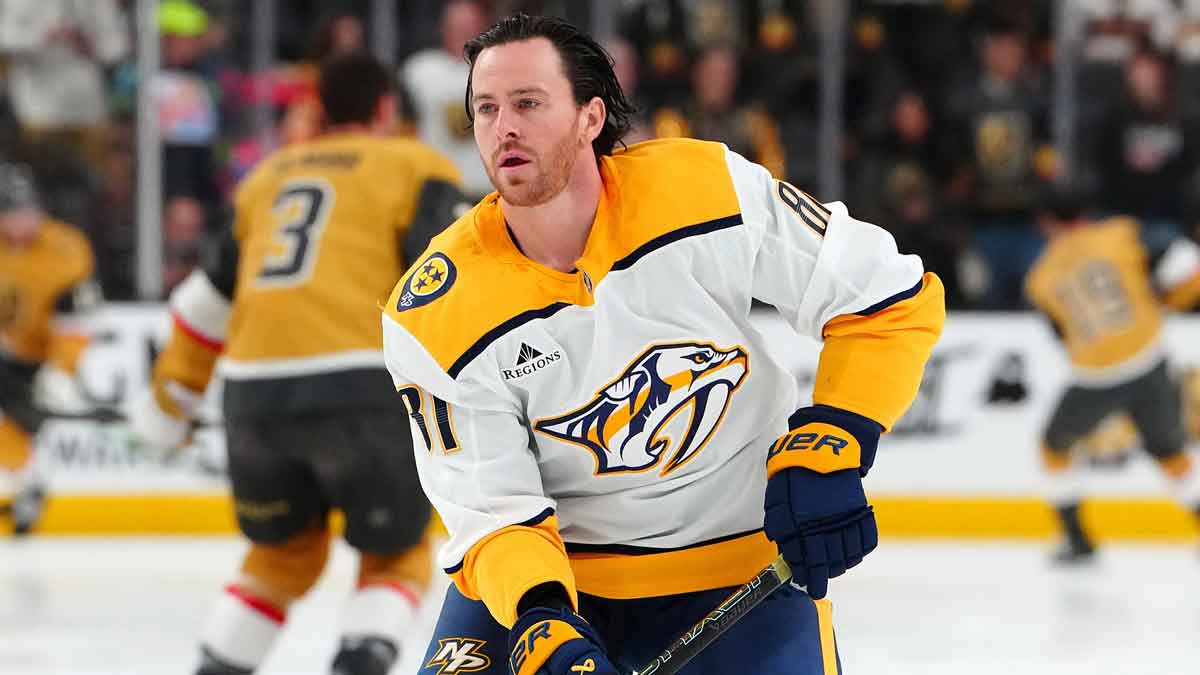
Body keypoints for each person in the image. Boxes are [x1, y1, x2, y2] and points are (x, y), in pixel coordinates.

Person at [382, 14, 945, 675]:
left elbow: (885, 296)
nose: (502, 126)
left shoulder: (702, 191)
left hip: (739, 568)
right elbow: (490, 507)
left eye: (528, 104)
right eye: (485, 108)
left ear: (592, 117)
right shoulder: (437, 310)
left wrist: (837, 432)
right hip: (550, 586)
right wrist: (540, 620)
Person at [128, 53, 469, 675]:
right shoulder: (418, 166)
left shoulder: (267, 177)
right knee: (394, 558)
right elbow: (449, 287)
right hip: (364, 390)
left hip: (252, 398)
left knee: (279, 560)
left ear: (319, 111)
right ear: (387, 109)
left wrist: (169, 403)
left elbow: (206, 304)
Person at [1025, 185, 1200, 564]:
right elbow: (1186, 261)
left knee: (1053, 447)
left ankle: (1077, 539)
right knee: (1170, 453)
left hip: (1097, 378)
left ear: (1046, 223)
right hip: (1149, 360)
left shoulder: (1039, 278)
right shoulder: (1122, 234)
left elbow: (1063, 336)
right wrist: (1169, 300)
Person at [0, 162, 100, 535]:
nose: (26, 221)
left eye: (30, 210)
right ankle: (30, 482)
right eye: (14, 212)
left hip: (49, 352)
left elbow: (77, 315)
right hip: (7, 352)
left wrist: (62, 369)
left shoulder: (65, 245)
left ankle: (29, 483)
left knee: (22, 421)